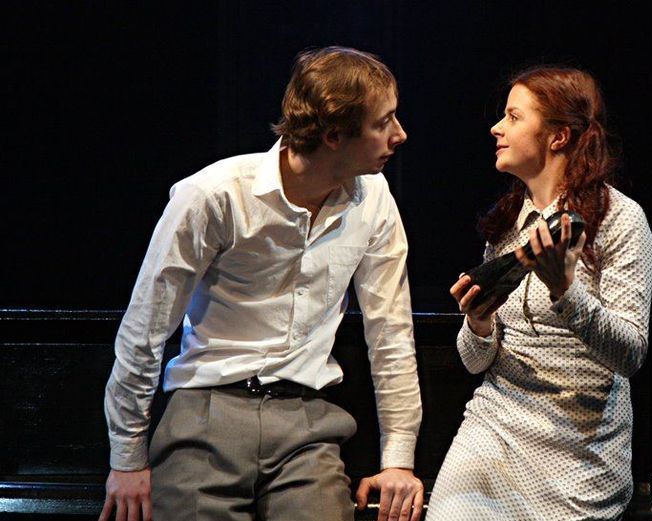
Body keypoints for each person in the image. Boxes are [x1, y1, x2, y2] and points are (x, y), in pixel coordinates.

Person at [99, 46, 424, 521]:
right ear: (334, 135)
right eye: (383, 122)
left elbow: (391, 333)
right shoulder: (214, 195)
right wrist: (127, 458)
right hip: (206, 415)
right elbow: (145, 327)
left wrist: (398, 459)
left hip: (306, 423)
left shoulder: (374, 199)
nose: (400, 134)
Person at [426, 66, 652, 521]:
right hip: (494, 429)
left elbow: (630, 355)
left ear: (558, 137)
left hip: (579, 451)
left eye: (513, 117)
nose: (497, 128)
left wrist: (566, 292)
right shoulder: (507, 225)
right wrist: (478, 323)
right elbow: (474, 362)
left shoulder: (620, 220)